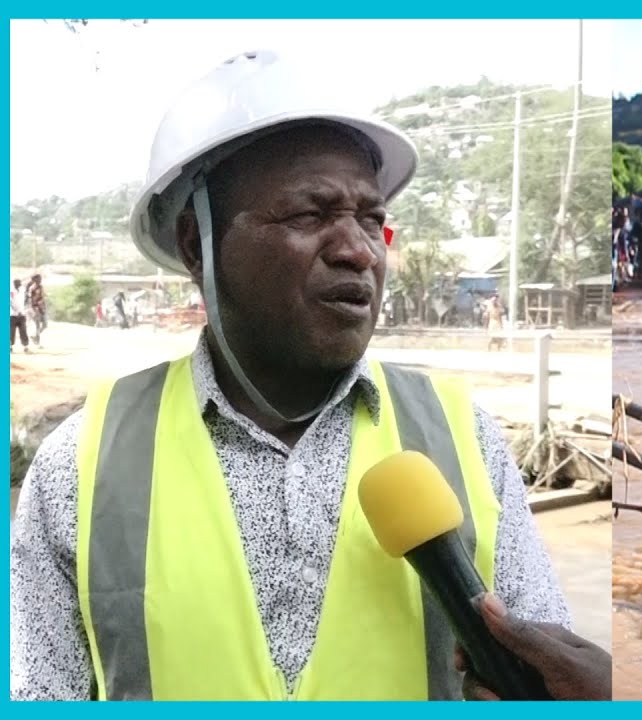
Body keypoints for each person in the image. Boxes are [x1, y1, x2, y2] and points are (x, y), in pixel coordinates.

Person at [10, 50, 609, 702]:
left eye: (371, 219)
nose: (357, 250)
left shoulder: (466, 439)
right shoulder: (81, 466)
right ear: (195, 244)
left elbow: (547, 662)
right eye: (309, 215)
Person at [24, 273, 47, 347]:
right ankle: (38, 343)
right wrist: (34, 309)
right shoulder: (32, 288)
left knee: (45, 325)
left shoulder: (41, 287)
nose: (40, 279)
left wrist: (44, 307)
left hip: (42, 308)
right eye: (39, 278)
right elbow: (30, 300)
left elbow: (42, 297)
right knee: (37, 326)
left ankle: (34, 336)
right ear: (34, 280)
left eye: (40, 278)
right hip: (35, 309)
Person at [10, 278, 30, 353]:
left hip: (22, 314)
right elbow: (9, 302)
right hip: (13, 315)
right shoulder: (11, 292)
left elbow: (26, 300)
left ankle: (25, 346)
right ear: (14, 283)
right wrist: (14, 311)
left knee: (23, 331)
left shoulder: (23, 291)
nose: (19, 284)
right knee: (12, 332)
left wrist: (23, 310)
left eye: (19, 282)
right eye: (17, 283)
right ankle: (10, 346)